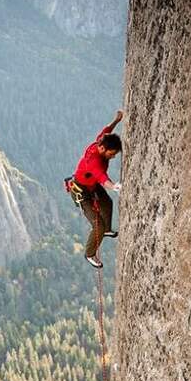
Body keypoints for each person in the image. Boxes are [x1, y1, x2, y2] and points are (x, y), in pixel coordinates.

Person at [68, 110, 123, 268]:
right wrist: (114, 186)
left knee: (107, 203)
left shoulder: (100, 142)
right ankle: (90, 254)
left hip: (91, 185)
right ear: (103, 149)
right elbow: (101, 177)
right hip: (81, 191)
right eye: (111, 154)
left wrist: (116, 120)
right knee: (97, 224)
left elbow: (106, 131)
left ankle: (105, 230)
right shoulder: (94, 161)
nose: (112, 157)